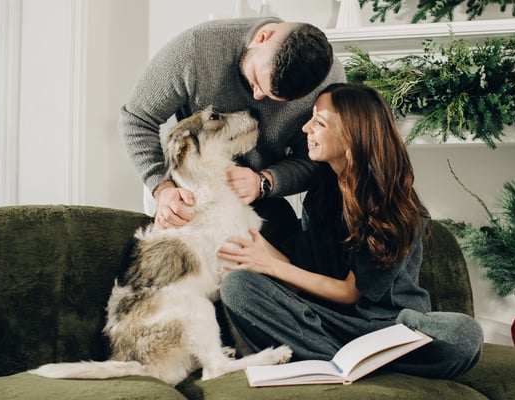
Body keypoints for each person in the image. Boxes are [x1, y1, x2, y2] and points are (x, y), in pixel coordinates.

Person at [217, 83, 483, 379]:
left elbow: (349, 292)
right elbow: (298, 275)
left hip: (389, 327)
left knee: (464, 334)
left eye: (318, 122)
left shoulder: (393, 206)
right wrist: (244, 235)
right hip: (327, 320)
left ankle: (329, 359)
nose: (305, 128)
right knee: (238, 286)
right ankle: (343, 362)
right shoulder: (322, 193)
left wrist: (267, 263)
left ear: (350, 135)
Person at [119, 17, 346, 241]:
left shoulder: (329, 82)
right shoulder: (195, 48)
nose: (257, 97)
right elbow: (137, 118)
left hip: (258, 196)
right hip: (182, 191)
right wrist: (162, 187)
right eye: (257, 81)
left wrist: (264, 181)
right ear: (262, 37)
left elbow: (317, 159)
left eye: (278, 99)